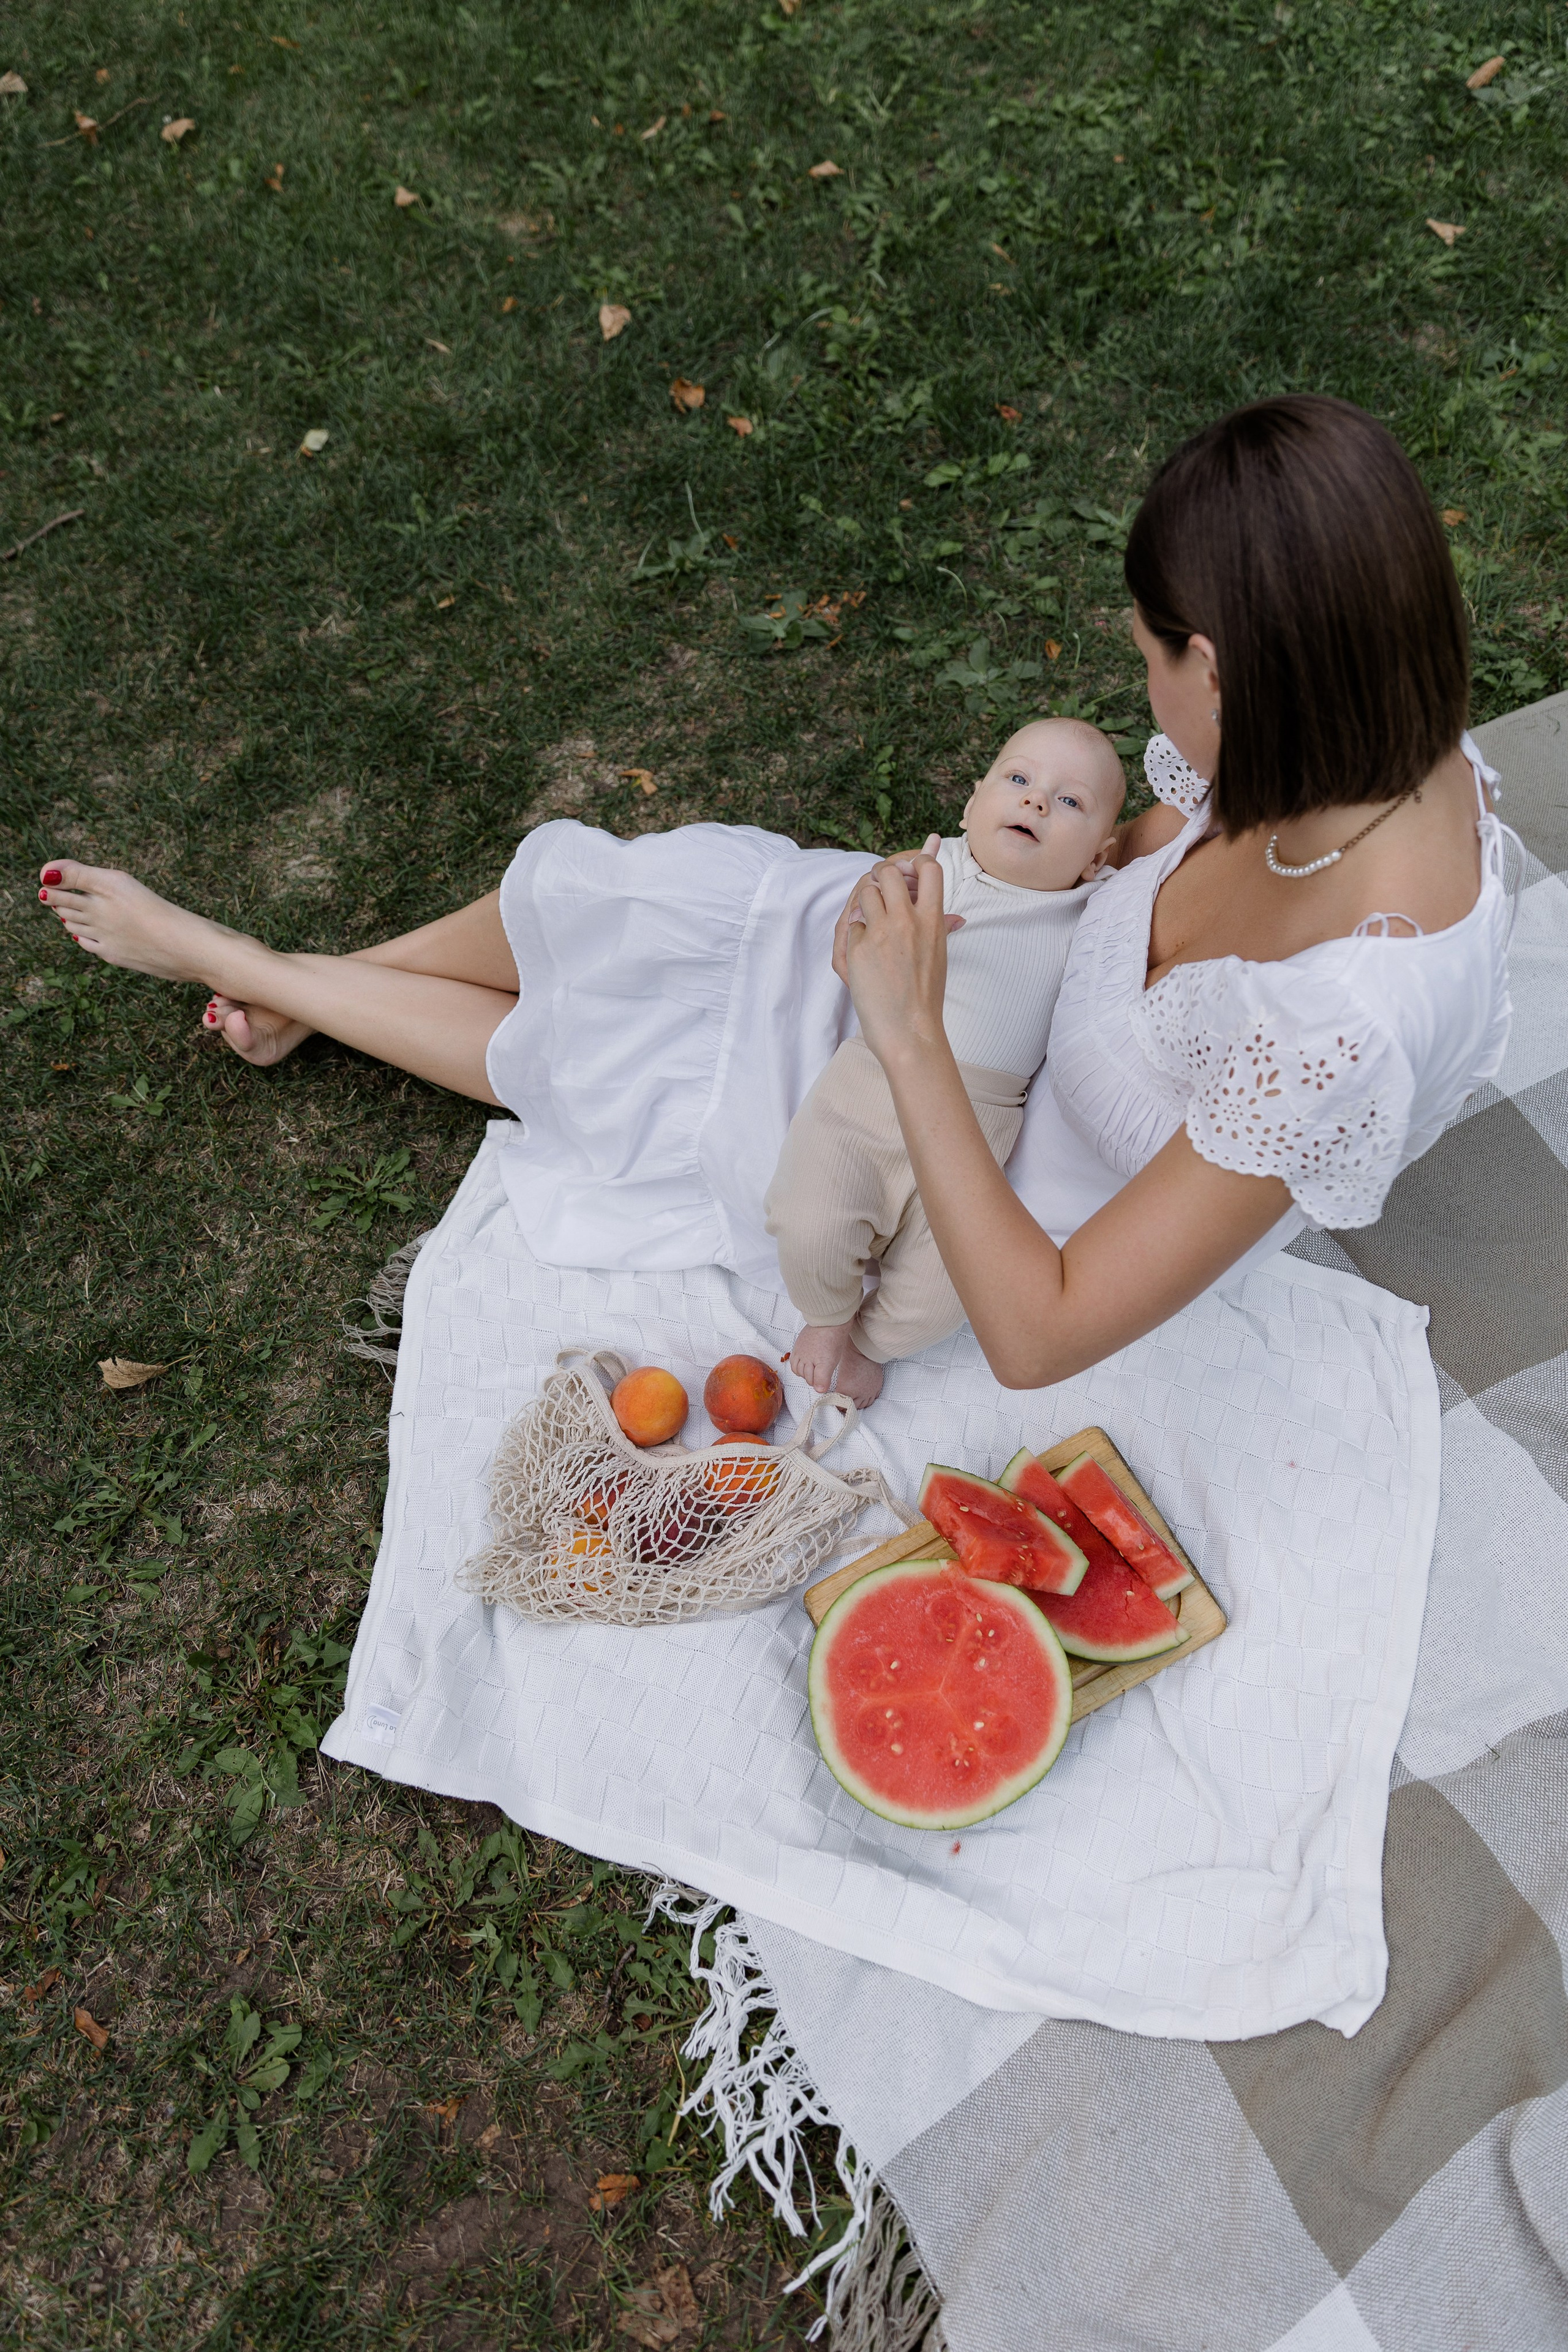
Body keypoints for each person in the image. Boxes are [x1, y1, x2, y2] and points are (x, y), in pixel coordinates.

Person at [34, 396, 1513, 1395]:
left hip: (978, 1159)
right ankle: (310, 975)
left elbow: (1036, 1334)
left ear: (1227, 670)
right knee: (675, 899)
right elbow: (1147, 854)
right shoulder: (1351, 735)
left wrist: (909, 1029)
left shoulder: (1334, 1026)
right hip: (995, 964)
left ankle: (238, 959)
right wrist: (1009, 880)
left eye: (1146, 661)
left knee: (633, 1063)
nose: (1138, 693)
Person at [766, 717, 1123, 1406]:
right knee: (806, 1221)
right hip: (866, 1095)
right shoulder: (936, 874)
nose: (1036, 802)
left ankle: (870, 1344)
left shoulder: (1091, 912)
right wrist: (884, 888)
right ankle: (826, 1318)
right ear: (968, 809)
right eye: (1017, 779)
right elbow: (869, 913)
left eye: (1069, 801)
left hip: (975, 1129)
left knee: (949, 1291)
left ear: (1095, 859)